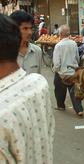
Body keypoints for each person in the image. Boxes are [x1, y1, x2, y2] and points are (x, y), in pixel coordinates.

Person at [0, 14, 54, 164]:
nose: (29, 32)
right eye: (25, 28)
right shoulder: (39, 84)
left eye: (31, 28)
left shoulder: (36, 53)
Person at [53, 24, 84, 117]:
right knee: (74, 90)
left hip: (62, 72)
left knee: (59, 89)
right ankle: (79, 110)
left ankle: (61, 106)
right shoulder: (73, 43)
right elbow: (77, 58)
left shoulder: (58, 45)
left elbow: (57, 63)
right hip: (73, 72)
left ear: (61, 34)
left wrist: (56, 70)